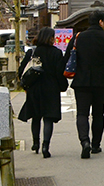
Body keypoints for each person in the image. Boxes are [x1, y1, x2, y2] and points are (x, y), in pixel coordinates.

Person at [71, 11, 104, 158]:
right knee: (98, 114)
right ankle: (95, 145)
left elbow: (68, 57)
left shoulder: (79, 37)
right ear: (101, 22)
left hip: (81, 81)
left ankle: (84, 142)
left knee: (82, 114)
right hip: (101, 82)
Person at [18, 27, 69, 158]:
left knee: (36, 116)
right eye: (53, 37)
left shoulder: (32, 52)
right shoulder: (56, 53)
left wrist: (25, 85)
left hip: (34, 88)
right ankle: (46, 145)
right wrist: (63, 86)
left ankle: (35, 143)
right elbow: (60, 72)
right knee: (48, 118)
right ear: (50, 38)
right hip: (51, 88)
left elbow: (22, 70)